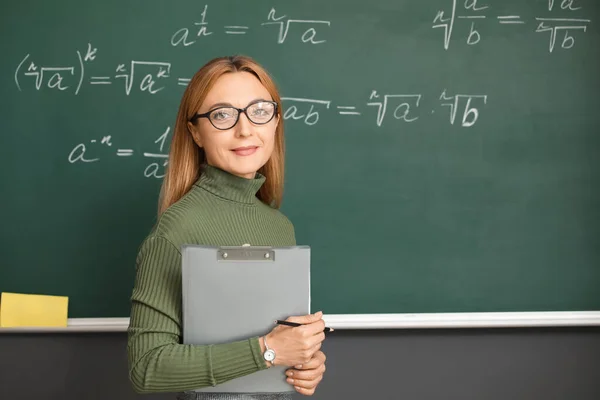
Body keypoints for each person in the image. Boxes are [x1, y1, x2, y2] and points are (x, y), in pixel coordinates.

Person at [127, 55, 328, 400]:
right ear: (195, 131)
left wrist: (306, 364)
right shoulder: (177, 229)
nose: (245, 129)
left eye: (259, 111)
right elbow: (146, 367)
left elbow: (278, 349)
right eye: (222, 115)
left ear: (276, 121)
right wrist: (267, 350)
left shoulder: (280, 228)